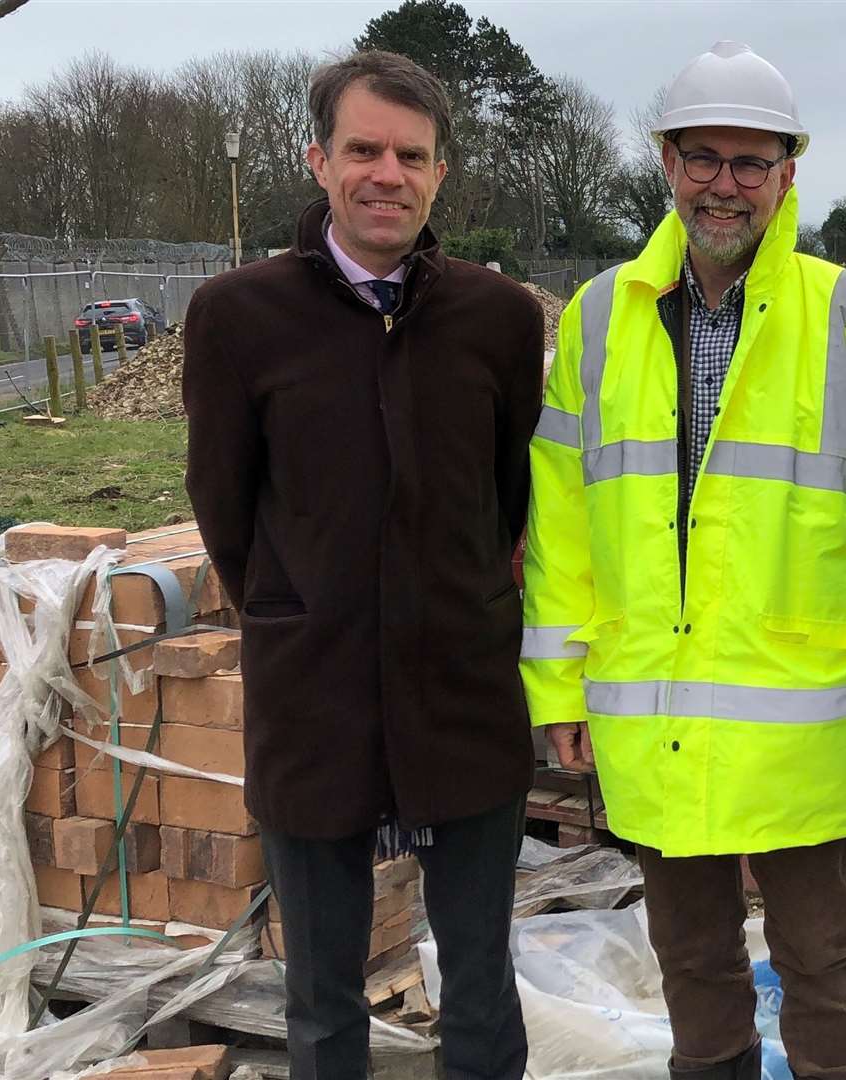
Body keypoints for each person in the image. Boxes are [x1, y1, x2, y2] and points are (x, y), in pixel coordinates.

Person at [520, 40, 846, 1080]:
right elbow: (562, 524)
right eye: (704, 157)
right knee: (691, 961)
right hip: (652, 713)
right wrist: (555, 684)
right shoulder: (600, 317)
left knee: (824, 960)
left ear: (790, 172)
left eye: (753, 163)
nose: (726, 185)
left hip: (803, 722)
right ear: (664, 161)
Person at [182, 49, 541, 1080]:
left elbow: (508, 498)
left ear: (440, 175)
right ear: (318, 159)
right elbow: (226, 506)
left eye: (411, 155)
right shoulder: (239, 317)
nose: (387, 173)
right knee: (322, 991)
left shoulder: (499, 318)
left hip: (460, 689)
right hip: (315, 697)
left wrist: (460, 596)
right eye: (363, 149)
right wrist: (296, 607)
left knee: (478, 975)